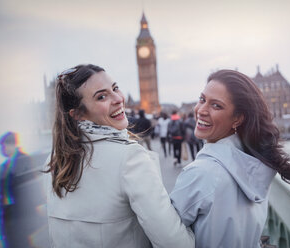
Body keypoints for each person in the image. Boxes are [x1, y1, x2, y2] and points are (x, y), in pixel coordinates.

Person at [44, 64, 194, 248]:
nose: (118, 99)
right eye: (101, 96)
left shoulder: (54, 161)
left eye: (115, 88)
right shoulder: (129, 157)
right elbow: (174, 242)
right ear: (78, 115)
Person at [170, 69, 290, 248]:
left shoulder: (201, 173)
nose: (201, 110)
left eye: (216, 105)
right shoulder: (257, 165)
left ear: (238, 119)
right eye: (202, 99)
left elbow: (164, 236)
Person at [0, 132, 34, 248]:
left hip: (19, 210)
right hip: (7, 211)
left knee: (21, 241)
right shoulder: (5, 165)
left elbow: (29, 184)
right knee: (10, 241)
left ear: (11, 144)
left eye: (3, 146)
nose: (2, 149)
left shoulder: (23, 159)